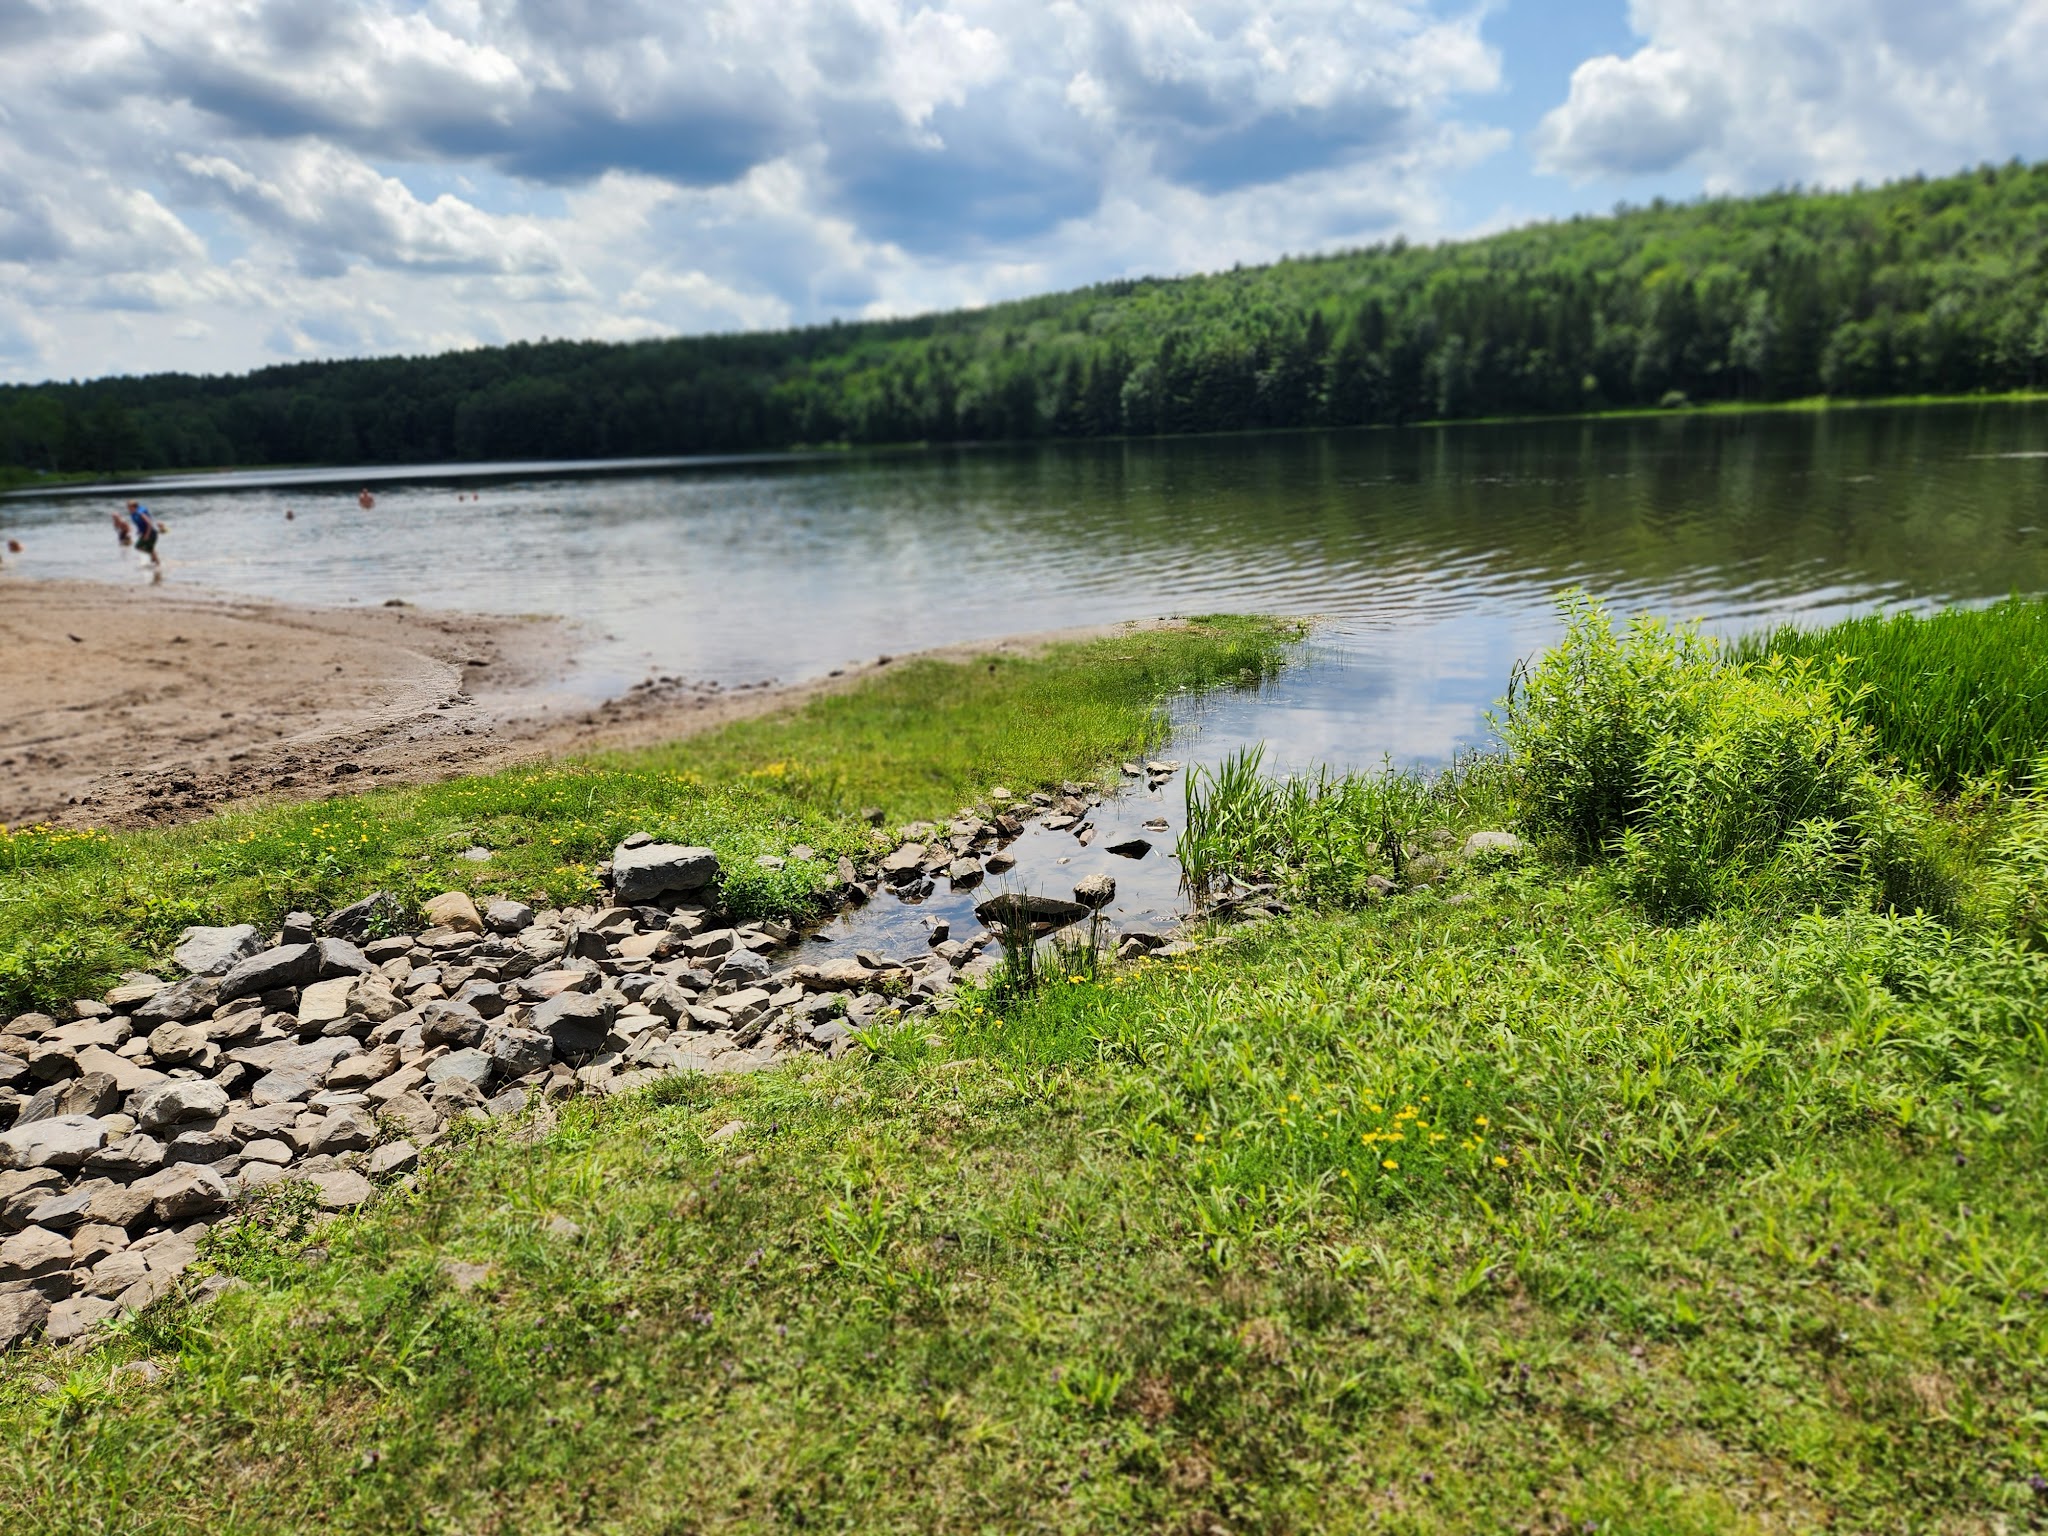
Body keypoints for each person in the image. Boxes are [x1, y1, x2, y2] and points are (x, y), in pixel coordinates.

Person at [127, 500, 163, 580]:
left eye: (128, 507)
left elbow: (149, 523)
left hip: (151, 534)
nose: (127, 509)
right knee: (139, 547)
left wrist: (147, 534)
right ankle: (156, 561)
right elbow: (140, 524)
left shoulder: (140, 513)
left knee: (141, 547)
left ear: (133, 507)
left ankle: (159, 568)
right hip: (145, 534)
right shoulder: (134, 514)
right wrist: (139, 531)